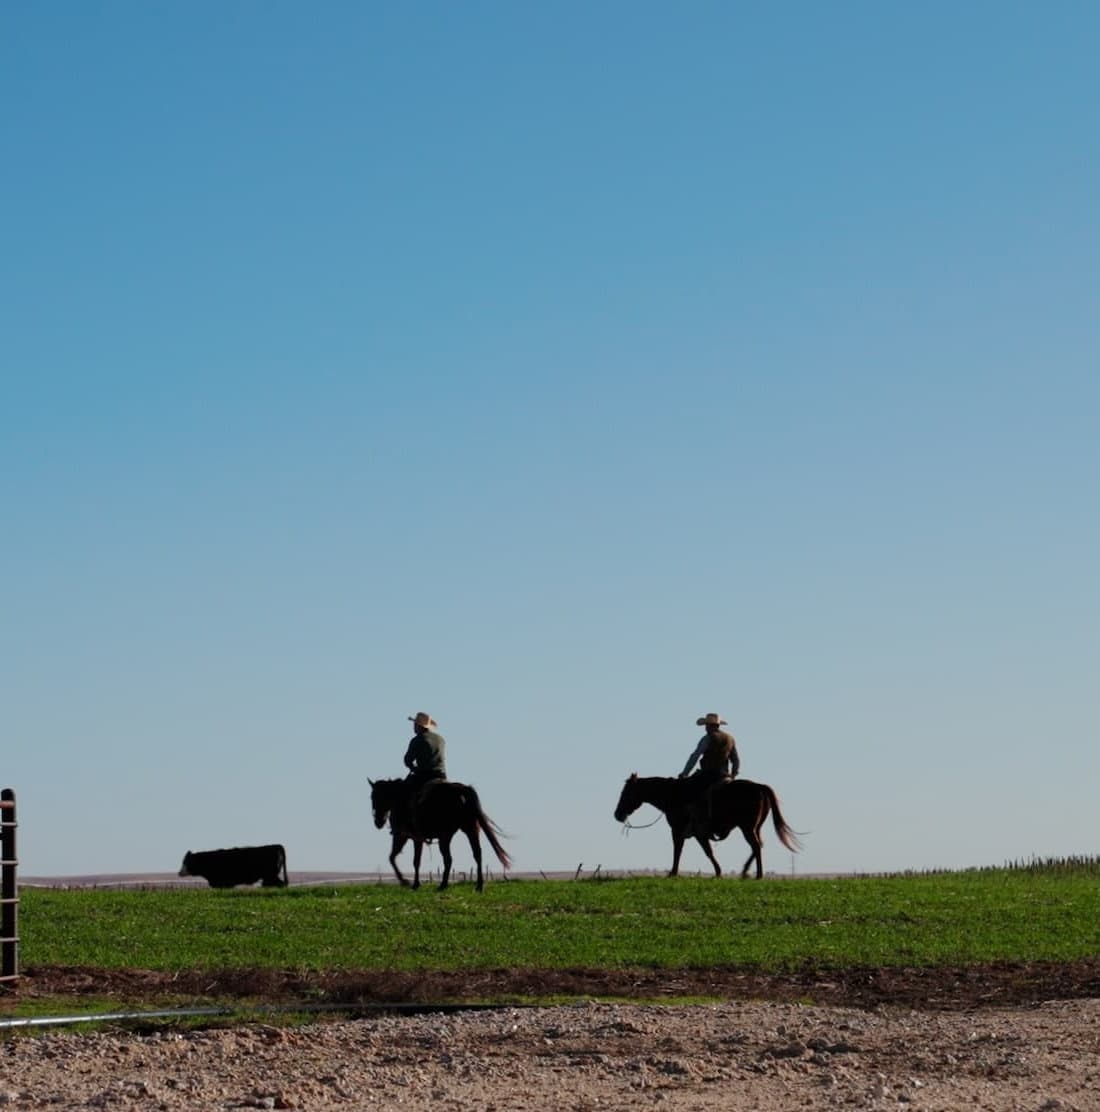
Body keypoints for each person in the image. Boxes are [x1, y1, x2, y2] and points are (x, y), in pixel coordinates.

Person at [679, 712, 739, 836]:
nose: (705, 728)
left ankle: (694, 825)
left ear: (709, 726)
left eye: (706, 725)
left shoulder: (707, 738)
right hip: (725, 775)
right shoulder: (730, 738)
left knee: (690, 793)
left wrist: (685, 773)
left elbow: (695, 756)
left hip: (709, 774)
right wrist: (733, 775)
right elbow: (736, 760)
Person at [400, 711, 448, 829]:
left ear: (418, 726)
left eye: (415, 724)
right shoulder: (440, 739)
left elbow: (408, 760)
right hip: (442, 775)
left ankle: (407, 824)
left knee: (403, 794)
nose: (414, 727)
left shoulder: (417, 740)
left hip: (424, 776)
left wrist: (413, 768)